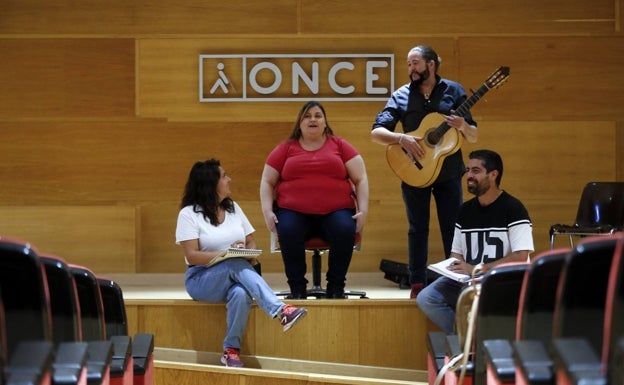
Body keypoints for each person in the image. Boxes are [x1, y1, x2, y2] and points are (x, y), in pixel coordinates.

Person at [175, 159, 307, 368]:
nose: (230, 179)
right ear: (210, 183)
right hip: (200, 278)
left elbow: (251, 239)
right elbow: (192, 255)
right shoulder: (188, 214)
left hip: (234, 273)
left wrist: (244, 249)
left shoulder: (233, 208)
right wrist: (227, 254)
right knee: (233, 263)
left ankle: (231, 351)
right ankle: (281, 311)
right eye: (224, 176)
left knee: (240, 293)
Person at [371, 45, 479, 298]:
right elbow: (376, 133)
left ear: (431, 64)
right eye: (409, 64)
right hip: (414, 171)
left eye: (416, 63)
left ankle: (454, 281)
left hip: (449, 171)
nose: (411, 69)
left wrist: (463, 125)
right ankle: (417, 283)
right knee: (417, 227)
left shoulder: (454, 91)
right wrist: (401, 139)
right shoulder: (401, 95)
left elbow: (473, 136)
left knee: (452, 228)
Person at [416, 149, 534, 334]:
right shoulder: (465, 211)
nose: (469, 176)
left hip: (501, 282)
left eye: (476, 171)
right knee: (427, 298)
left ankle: (471, 341)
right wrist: (454, 269)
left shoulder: (514, 209)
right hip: (469, 280)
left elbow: (521, 256)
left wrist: (478, 269)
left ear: (493, 175)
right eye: (468, 170)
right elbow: (456, 252)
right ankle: (467, 338)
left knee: (476, 302)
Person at [260, 100, 369, 299]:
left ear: (325, 122)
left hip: (336, 211)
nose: (313, 119)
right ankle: (297, 290)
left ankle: (336, 289)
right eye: (307, 116)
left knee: (345, 228)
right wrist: (267, 211)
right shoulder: (285, 148)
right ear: (299, 123)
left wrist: (363, 210)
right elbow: (267, 181)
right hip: (293, 212)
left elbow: (360, 178)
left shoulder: (340, 145)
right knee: (288, 229)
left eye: (318, 116)